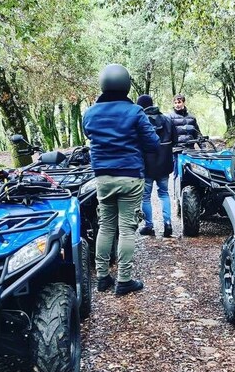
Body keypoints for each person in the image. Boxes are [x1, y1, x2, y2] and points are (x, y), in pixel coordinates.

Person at [83, 64, 159, 296]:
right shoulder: (135, 112)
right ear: (126, 85)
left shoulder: (90, 113)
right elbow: (153, 143)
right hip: (129, 175)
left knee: (105, 226)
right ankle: (124, 280)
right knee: (127, 229)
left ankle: (103, 277)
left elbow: (89, 135)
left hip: (103, 178)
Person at [136, 94, 178, 238]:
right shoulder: (167, 119)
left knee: (146, 197)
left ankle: (149, 226)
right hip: (164, 164)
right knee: (164, 193)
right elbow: (175, 140)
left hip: (146, 165)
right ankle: (168, 224)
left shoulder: (140, 120)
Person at [168, 93, 201, 178]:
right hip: (177, 150)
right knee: (177, 174)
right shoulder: (169, 117)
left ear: (183, 103)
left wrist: (203, 148)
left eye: (179, 102)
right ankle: (176, 191)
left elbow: (197, 134)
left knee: (194, 174)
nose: (177, 105)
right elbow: (167, 134)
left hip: (190, 150)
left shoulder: (192, 118)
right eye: (175, 103)